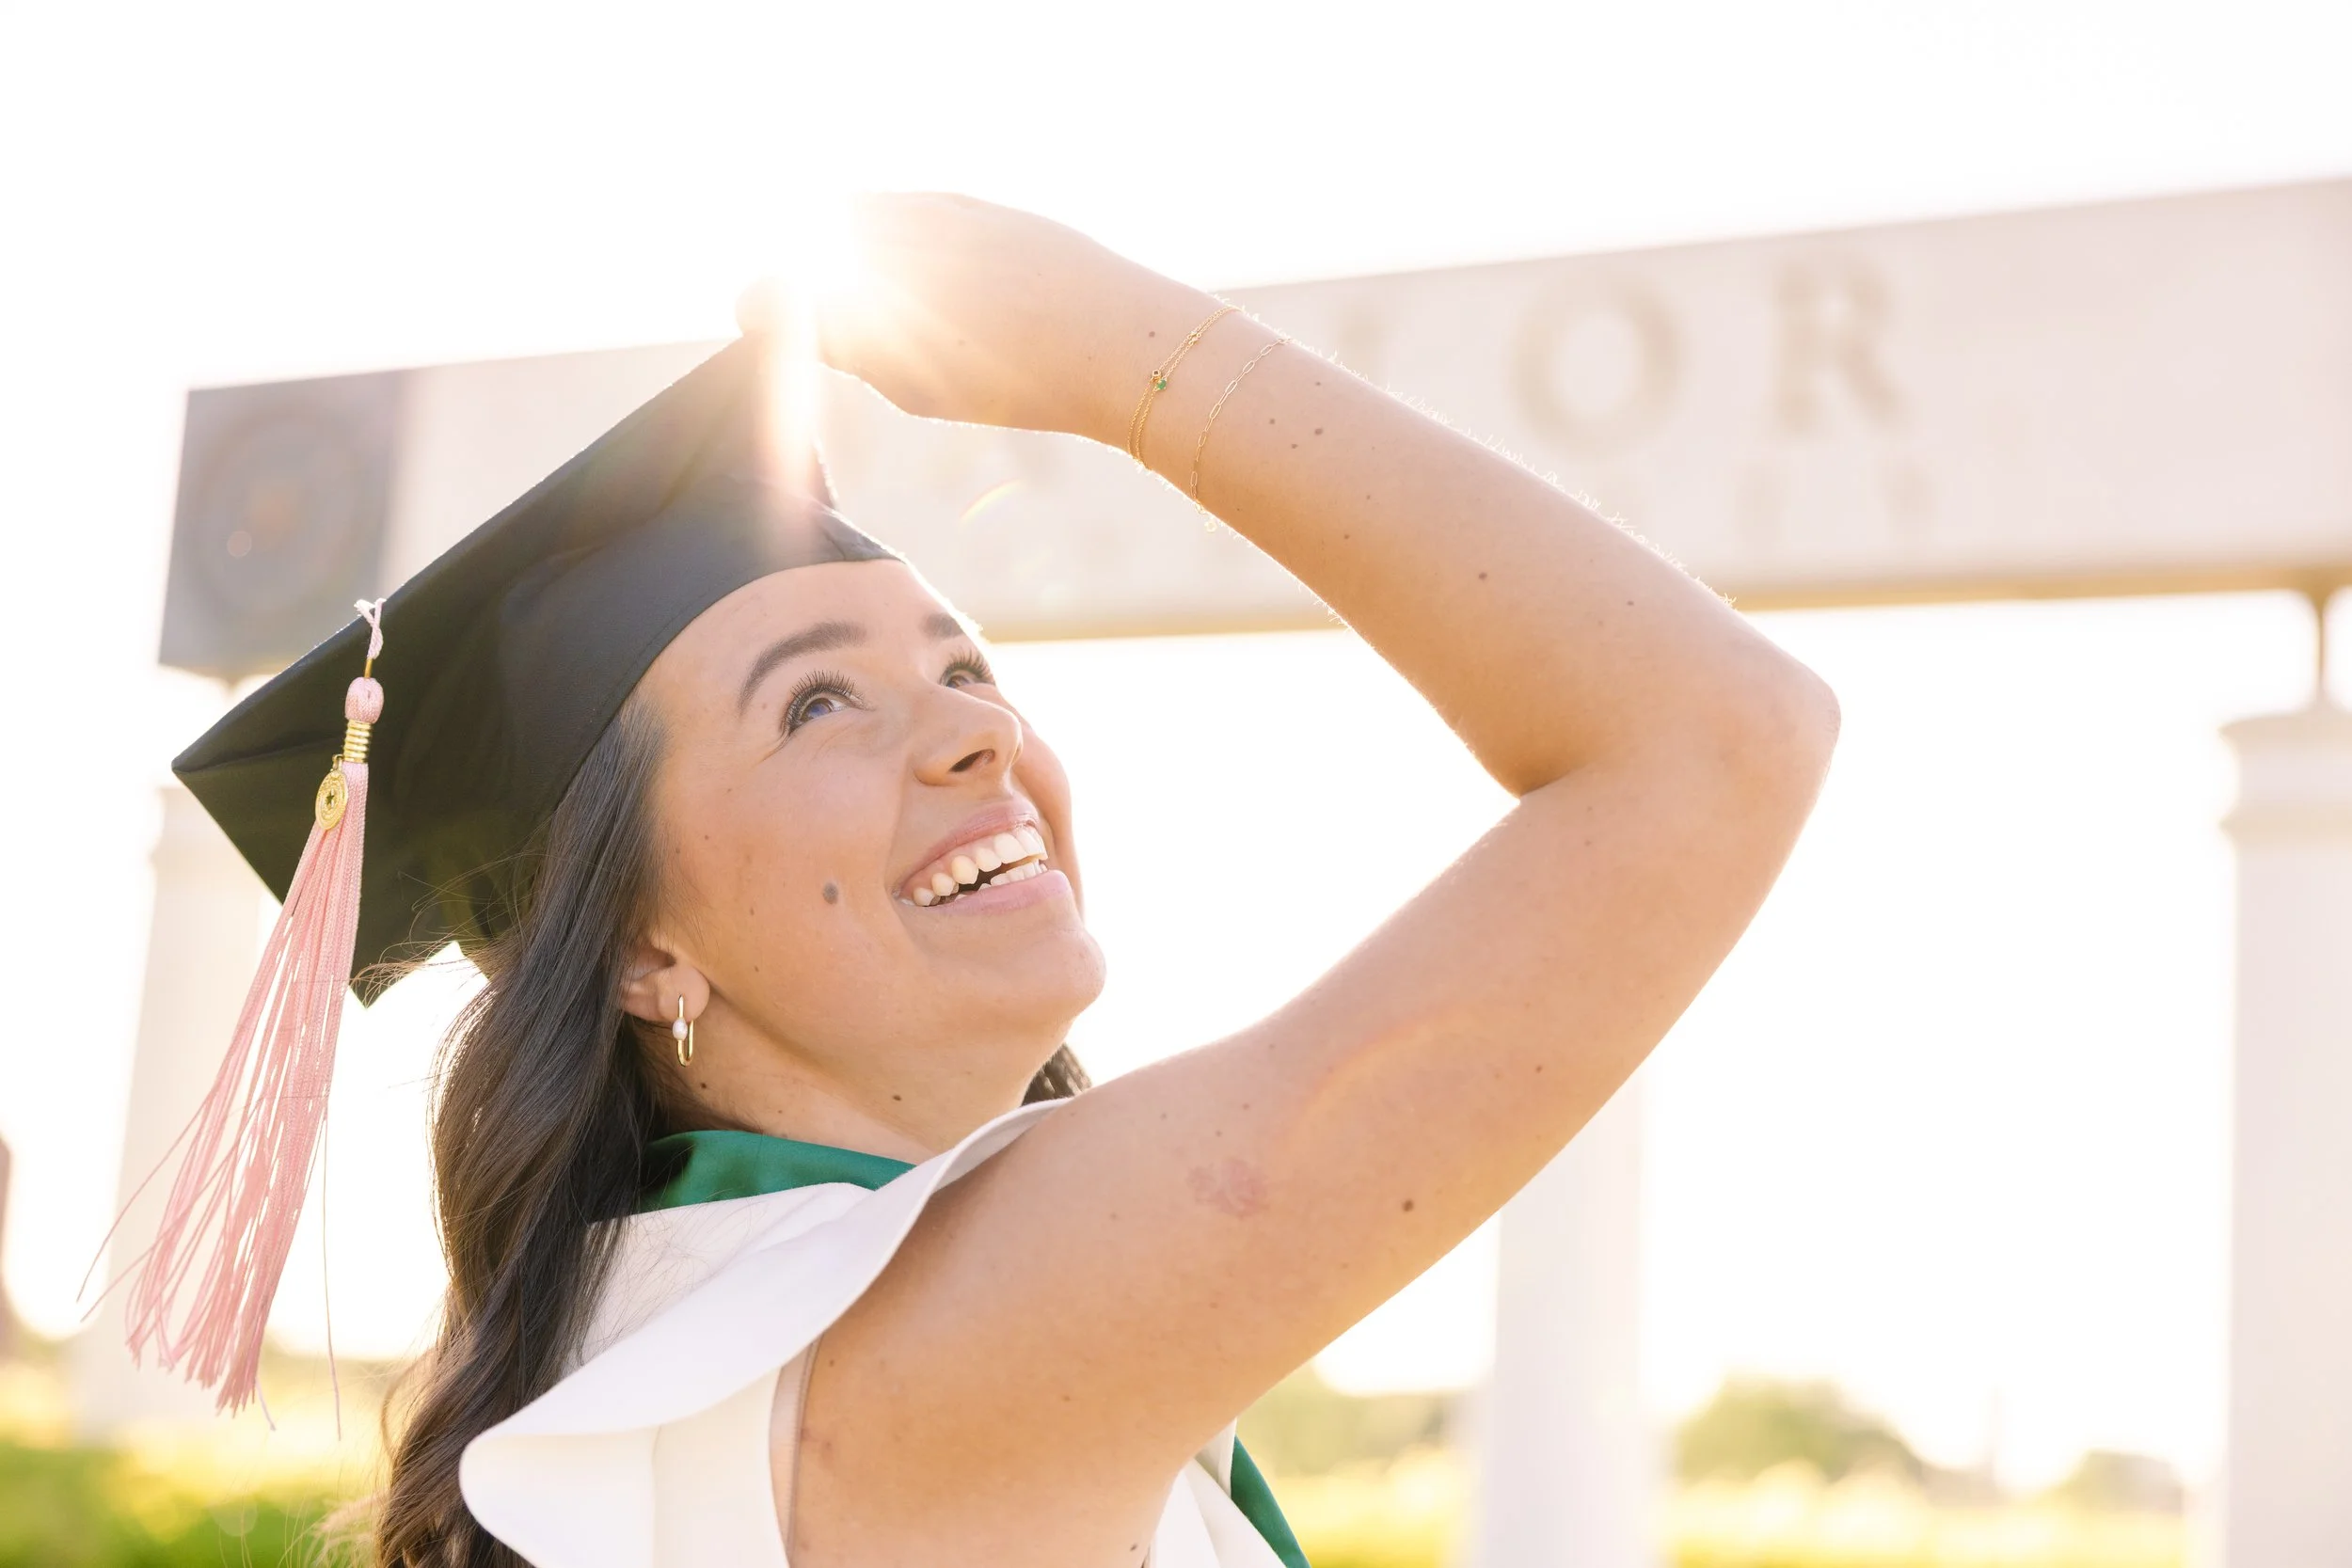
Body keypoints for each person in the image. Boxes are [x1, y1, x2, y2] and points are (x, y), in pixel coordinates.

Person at [145, 195, 1838, 1567]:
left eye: (968, 670)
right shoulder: (906, 1342)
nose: (975, 737)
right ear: (643, 948)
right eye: (818, 700)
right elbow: (1715, 739)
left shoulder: (683, 1351)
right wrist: (1131, 361)